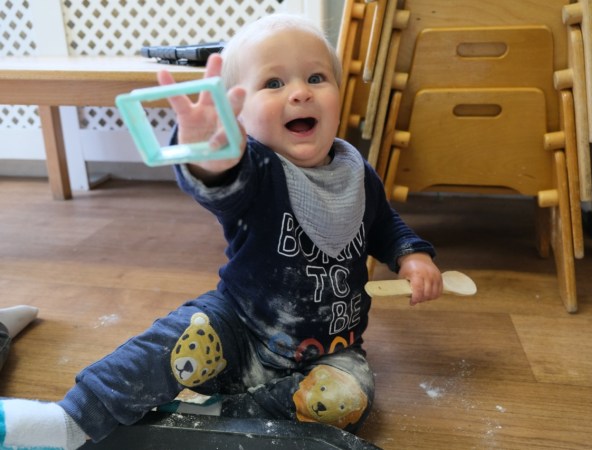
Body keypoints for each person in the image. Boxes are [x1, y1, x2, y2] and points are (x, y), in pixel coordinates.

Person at [0, 13, 442, 449]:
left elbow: (385, 223)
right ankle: (70, 420)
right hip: (238, 329)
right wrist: (213, 155)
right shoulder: (258, 167)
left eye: (316, 77)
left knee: (347, 401)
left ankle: (210, 419)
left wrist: (411, 255)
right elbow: (222, 185)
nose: (301, 93)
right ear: (241, 115)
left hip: (332, 348)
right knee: (173, 341)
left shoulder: (357, 172)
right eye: (273, 83)